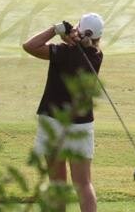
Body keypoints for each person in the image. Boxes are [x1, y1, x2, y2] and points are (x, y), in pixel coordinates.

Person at [23, 13, 105, 212]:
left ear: (79, 29)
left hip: (53, 120)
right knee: (84, 184)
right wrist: (72, 38)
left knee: (57, 184)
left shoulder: (62, 52)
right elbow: (83, 48)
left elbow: (29, 46)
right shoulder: (97, 56)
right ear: (98, 37)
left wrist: (55, 29)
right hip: (82, 124)